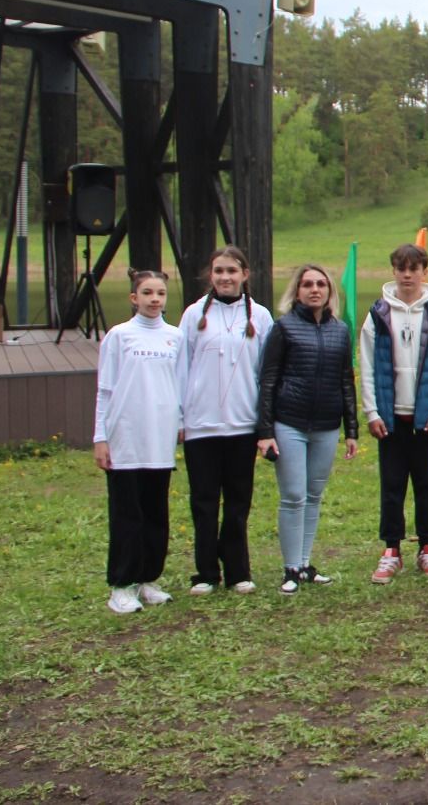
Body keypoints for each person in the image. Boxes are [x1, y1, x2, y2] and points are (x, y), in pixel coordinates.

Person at [256, 263, 360, 595]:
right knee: (293, 496)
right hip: (290, 423)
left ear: (329, 291)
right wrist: (265, 430)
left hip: (327, 426)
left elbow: (346, 381)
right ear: (297, 291)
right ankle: (289, 567)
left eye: (321, 284)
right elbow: (268, 380)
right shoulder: (283, 328)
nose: (314, 289)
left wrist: (352, 429)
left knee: (314, 496)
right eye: (307, 284)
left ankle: (304, 563)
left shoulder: (341, 331)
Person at [359, 243, 428, 584]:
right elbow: (368, 365)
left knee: (426, 483)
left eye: (413, 268)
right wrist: (372, 412)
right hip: (390, 417)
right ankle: (391, 550)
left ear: (424, 272)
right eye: (400, 268)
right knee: (392, 484)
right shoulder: (377, 314)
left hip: (425, 419)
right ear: (393, 271)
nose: (406, 274)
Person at [178, 246, 274, 596]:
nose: (225, 277)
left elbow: (267, 373)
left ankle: (237, 570)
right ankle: (205, 572)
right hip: (201, 424)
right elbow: (181, 366)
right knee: (203, 501)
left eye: (232, 271)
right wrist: (180, 417)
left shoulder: (260, 317)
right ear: (211, 275)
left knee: (237, 501)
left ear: (245, 275)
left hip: (241, 424)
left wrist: (265, 426)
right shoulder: (193, 315)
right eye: (219, 271)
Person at [94, 270, 185, 614]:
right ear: (134, 298)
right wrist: (100, 437)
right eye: (147, 292)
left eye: (160, 293)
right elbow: (105, 390)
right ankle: (121, 584)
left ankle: (148, 579)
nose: (154, 299)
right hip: (125, 437)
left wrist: (180, 424)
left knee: (155, 513)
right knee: (126, 514)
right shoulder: (119, 337)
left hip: (159, 439)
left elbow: (180, 384)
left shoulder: (175, 337)